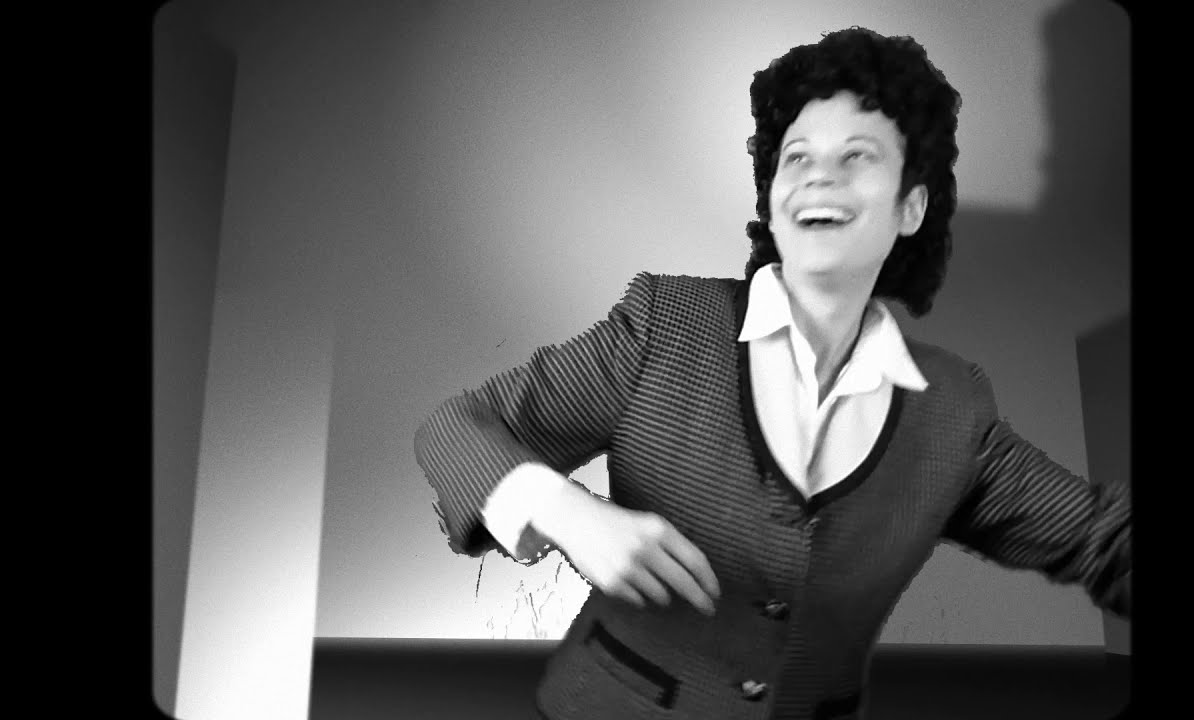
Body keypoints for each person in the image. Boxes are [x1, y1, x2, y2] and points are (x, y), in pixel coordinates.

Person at [415, 26, 1131, 720]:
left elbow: (1100, 538)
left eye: (858, 156)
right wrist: (570, 513)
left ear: (911, 206)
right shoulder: (666, 324)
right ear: (773, 199)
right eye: (797, 157)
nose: (820, 175)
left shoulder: (954, 409)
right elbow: (455, 429)